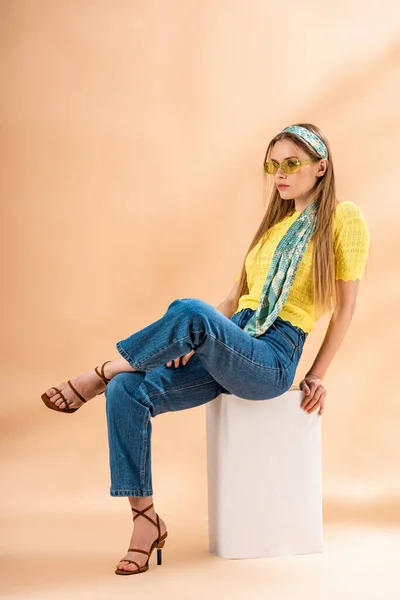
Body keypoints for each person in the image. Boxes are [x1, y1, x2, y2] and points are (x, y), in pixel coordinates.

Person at [40, 123, 370, 575]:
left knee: (185, 312)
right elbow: (234, 303)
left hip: (273, 354)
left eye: (292, 163)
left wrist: (318, 374)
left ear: (321, 167)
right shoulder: (273, 229)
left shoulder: (343, 217)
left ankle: (99, 372)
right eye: (272, 164)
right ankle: (145, 521)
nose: (280, 173)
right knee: (127, 392)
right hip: (234, 338)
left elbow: (346, 307)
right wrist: (191, 339)